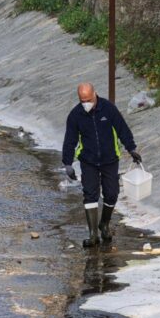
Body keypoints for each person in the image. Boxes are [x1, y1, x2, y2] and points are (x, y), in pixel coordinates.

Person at [62, 82, 141, 248]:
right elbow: (70, 140)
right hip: (88, 160)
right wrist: (67, 163)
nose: (86, 104)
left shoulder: (108, 109)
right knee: (90, 194)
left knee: (111, 194)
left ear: (95, 94)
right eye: (82, 100)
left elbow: (122, 129)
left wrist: (131, 148)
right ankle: (93, 235)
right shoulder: (75, 115)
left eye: (88, 99)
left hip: (110, 159)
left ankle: (104, 224)